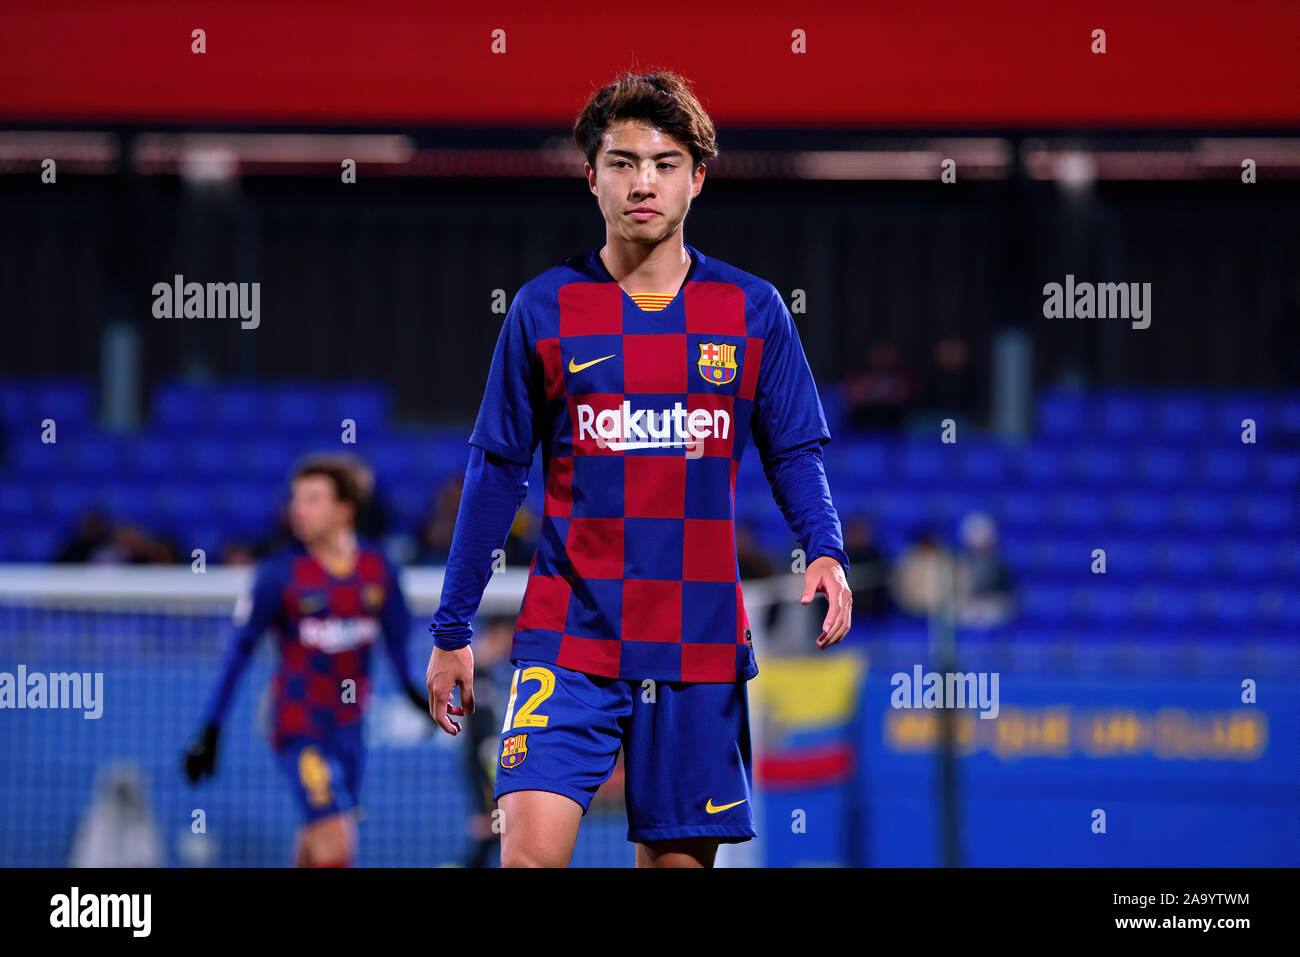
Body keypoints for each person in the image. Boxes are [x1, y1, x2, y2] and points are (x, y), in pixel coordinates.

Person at [425, 71, 852, 869]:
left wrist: (824, 547)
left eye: (663, 162)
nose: (642, 182)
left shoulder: (752, 309)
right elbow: (494, 471)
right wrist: (452, 628)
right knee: (526, 857)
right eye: (621, 162)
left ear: (697, 176)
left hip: (696, 642)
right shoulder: (544, 309)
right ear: (591, 177)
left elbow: (793, 447)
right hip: (568, 637)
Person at [182, 454, 431, 866]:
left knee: (319, 834)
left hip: (350, 727)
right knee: (336, 838)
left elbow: (399, 643)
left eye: (314, 498)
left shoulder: (378, 567)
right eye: (297, 498)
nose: (299, 508)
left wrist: (415, 695)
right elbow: (238, 653)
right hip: (297, 725)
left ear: (344, 509)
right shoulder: (279, 575)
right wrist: (211, 728)